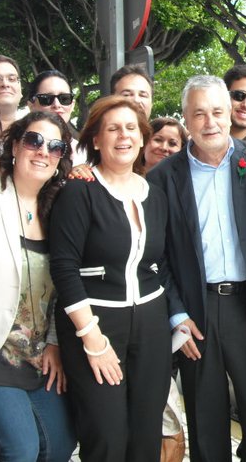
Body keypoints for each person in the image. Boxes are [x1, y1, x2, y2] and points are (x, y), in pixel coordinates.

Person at [148, 75, 246, 462]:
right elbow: (156, 256)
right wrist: (177, 315)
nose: (210, 123)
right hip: (195, 311)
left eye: (217, 112)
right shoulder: (162, 178)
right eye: (199, 114)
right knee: (205, 418)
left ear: (230, 113)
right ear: (185, 118)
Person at [49, 95, 172, 461]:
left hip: (151, 324)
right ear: (96, 140)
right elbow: (64, 268)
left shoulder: (155, 195)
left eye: (131, 128)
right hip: (95, 324)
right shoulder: (79, 191)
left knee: (146, 432)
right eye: (113, 129)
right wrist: (93, 339)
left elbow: (161, 263)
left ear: (142, 136)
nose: (124, 136)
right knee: (106, 435)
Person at [0, 112, 76, 461]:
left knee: (59, 446)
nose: (43, 151)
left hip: (39, 356)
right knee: (21, 449)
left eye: (55, 146)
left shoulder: (60, 208)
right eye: (34, 140)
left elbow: (65, 286)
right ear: (15, 146)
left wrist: (54, 342)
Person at [26, 69, 87, 166]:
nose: (57, 105)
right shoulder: (18, 145)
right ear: (31, 106)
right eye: (47, 99)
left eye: (64, 98)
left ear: (72, 105)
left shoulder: (83, 155)